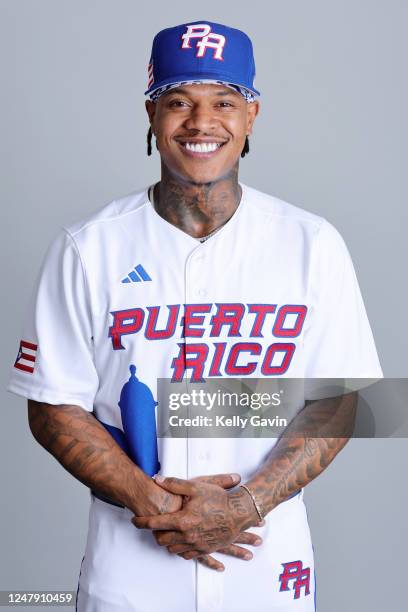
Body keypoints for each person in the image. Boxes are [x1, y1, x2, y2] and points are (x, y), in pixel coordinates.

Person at [7, 20, 383, 612]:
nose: (201, 122)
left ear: (251, 115)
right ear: (152, 115)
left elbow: (341, 396)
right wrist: (154, 503)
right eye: (179, 101)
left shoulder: (312, 243)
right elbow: (52, 405)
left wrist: (247, 504)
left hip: (266, 558)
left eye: (223, 102)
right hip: (132, 559)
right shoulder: (88, 246)